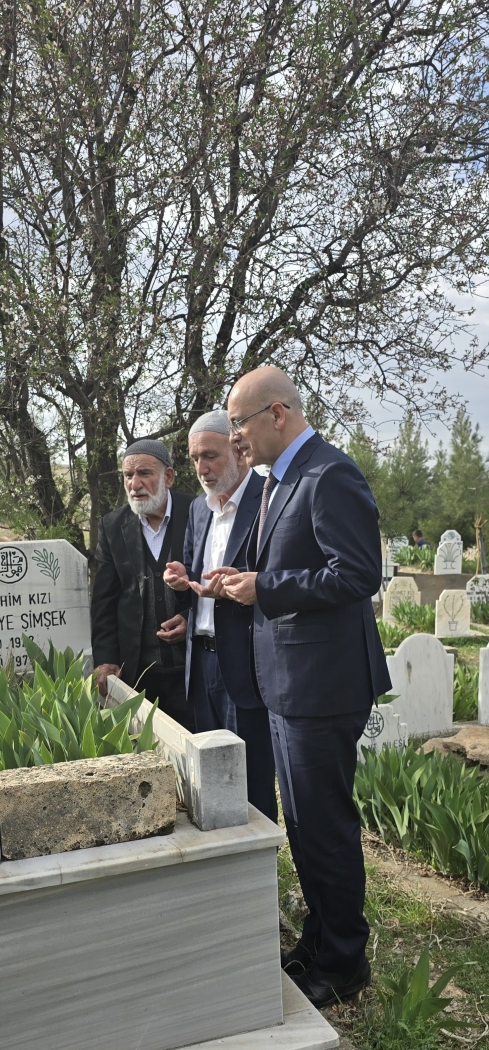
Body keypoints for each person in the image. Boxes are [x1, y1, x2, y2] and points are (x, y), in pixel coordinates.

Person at [206, 366, 391, 1008]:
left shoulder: (328, 474)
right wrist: (231, 582)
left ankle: (344, 962)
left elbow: (358, 574)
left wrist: (266, 587)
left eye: (239, 422)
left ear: (277, 414)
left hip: (324, 685)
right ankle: (319, 938)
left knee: (324, 824)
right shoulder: (278, 481)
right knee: (304, 825)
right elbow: (281, 566)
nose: (235, 436)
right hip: (288, 684)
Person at [164, 410, 278, 822]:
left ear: (239, 450)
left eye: (210, 456)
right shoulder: (199, 508)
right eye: (195, 459)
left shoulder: (270, 497)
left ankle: (261, 858)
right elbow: (196, 574)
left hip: (247, 662)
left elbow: (277, 578)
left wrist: (238, 587)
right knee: (212, 777)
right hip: (201, 661)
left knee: (252, 779)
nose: (201, 468)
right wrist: (182, 581)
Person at [91, 439, 195, 728]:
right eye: (128, 475)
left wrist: (191, 619)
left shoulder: (198, 512)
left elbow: (215, 578)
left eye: (144, 473)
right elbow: (104, 600)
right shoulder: (113, 526)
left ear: (168, 477)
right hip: (138, 673)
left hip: (195, 670)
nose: (134, 484)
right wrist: (106, 659)